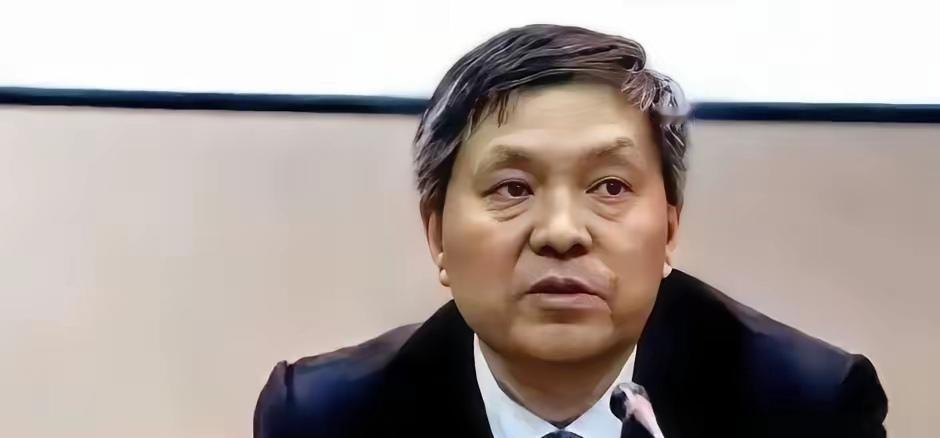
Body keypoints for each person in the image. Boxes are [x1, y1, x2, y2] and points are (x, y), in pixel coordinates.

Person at [253, 24, 888, 438]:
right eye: (512, 188)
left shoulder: (806, 409)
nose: (561, 232)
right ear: (437, 235)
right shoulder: (326, 418)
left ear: (669, 231)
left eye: (609, 187)